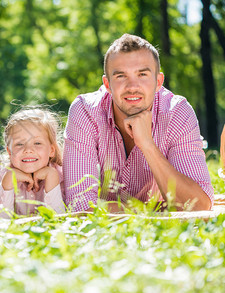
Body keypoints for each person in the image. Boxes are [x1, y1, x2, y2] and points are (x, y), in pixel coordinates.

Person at [63, 33, 214, 212]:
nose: (132, 86)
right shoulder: (85, 111)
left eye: (142, 74)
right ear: (107, 85)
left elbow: (199, 207)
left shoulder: (177, 113)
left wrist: (148, 145)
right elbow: (79, 205)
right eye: (121, 76)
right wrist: (146, 212)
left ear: (158, 82)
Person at [0, 108, 65, 218]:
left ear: (51, 150)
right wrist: (9, 180)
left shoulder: (61, 174)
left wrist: (51, 176)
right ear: (9, 152)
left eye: (37, 143)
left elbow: (59, 221)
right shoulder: (2, 173)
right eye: (20, 144)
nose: (28, 149)